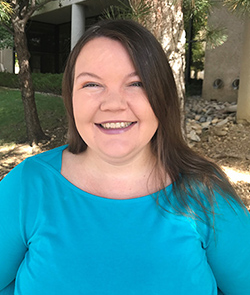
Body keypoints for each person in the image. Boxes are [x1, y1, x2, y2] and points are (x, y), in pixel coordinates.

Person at [0, 19, 250, 295]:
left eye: (136, 83)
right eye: (92, 84)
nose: (114, 104)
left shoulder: (206, 192)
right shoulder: (27, 186)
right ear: (70, 97)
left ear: (162, 96)